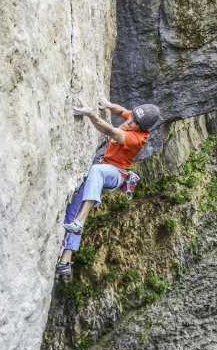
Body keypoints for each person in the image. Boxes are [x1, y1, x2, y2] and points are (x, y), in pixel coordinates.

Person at [55, 97, 161, 276]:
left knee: (97, 171)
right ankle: (65, 262)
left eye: (134, 122)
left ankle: (79, 222)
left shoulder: (136, 138)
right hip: (106, 168)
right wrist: (108, 105)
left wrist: (91, 114)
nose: (129, 121)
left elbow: (110, 131)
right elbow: (121, 111)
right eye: (132, 116)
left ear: (143, 128)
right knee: (72, 211)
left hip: (116, 174)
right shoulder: (134, 119)